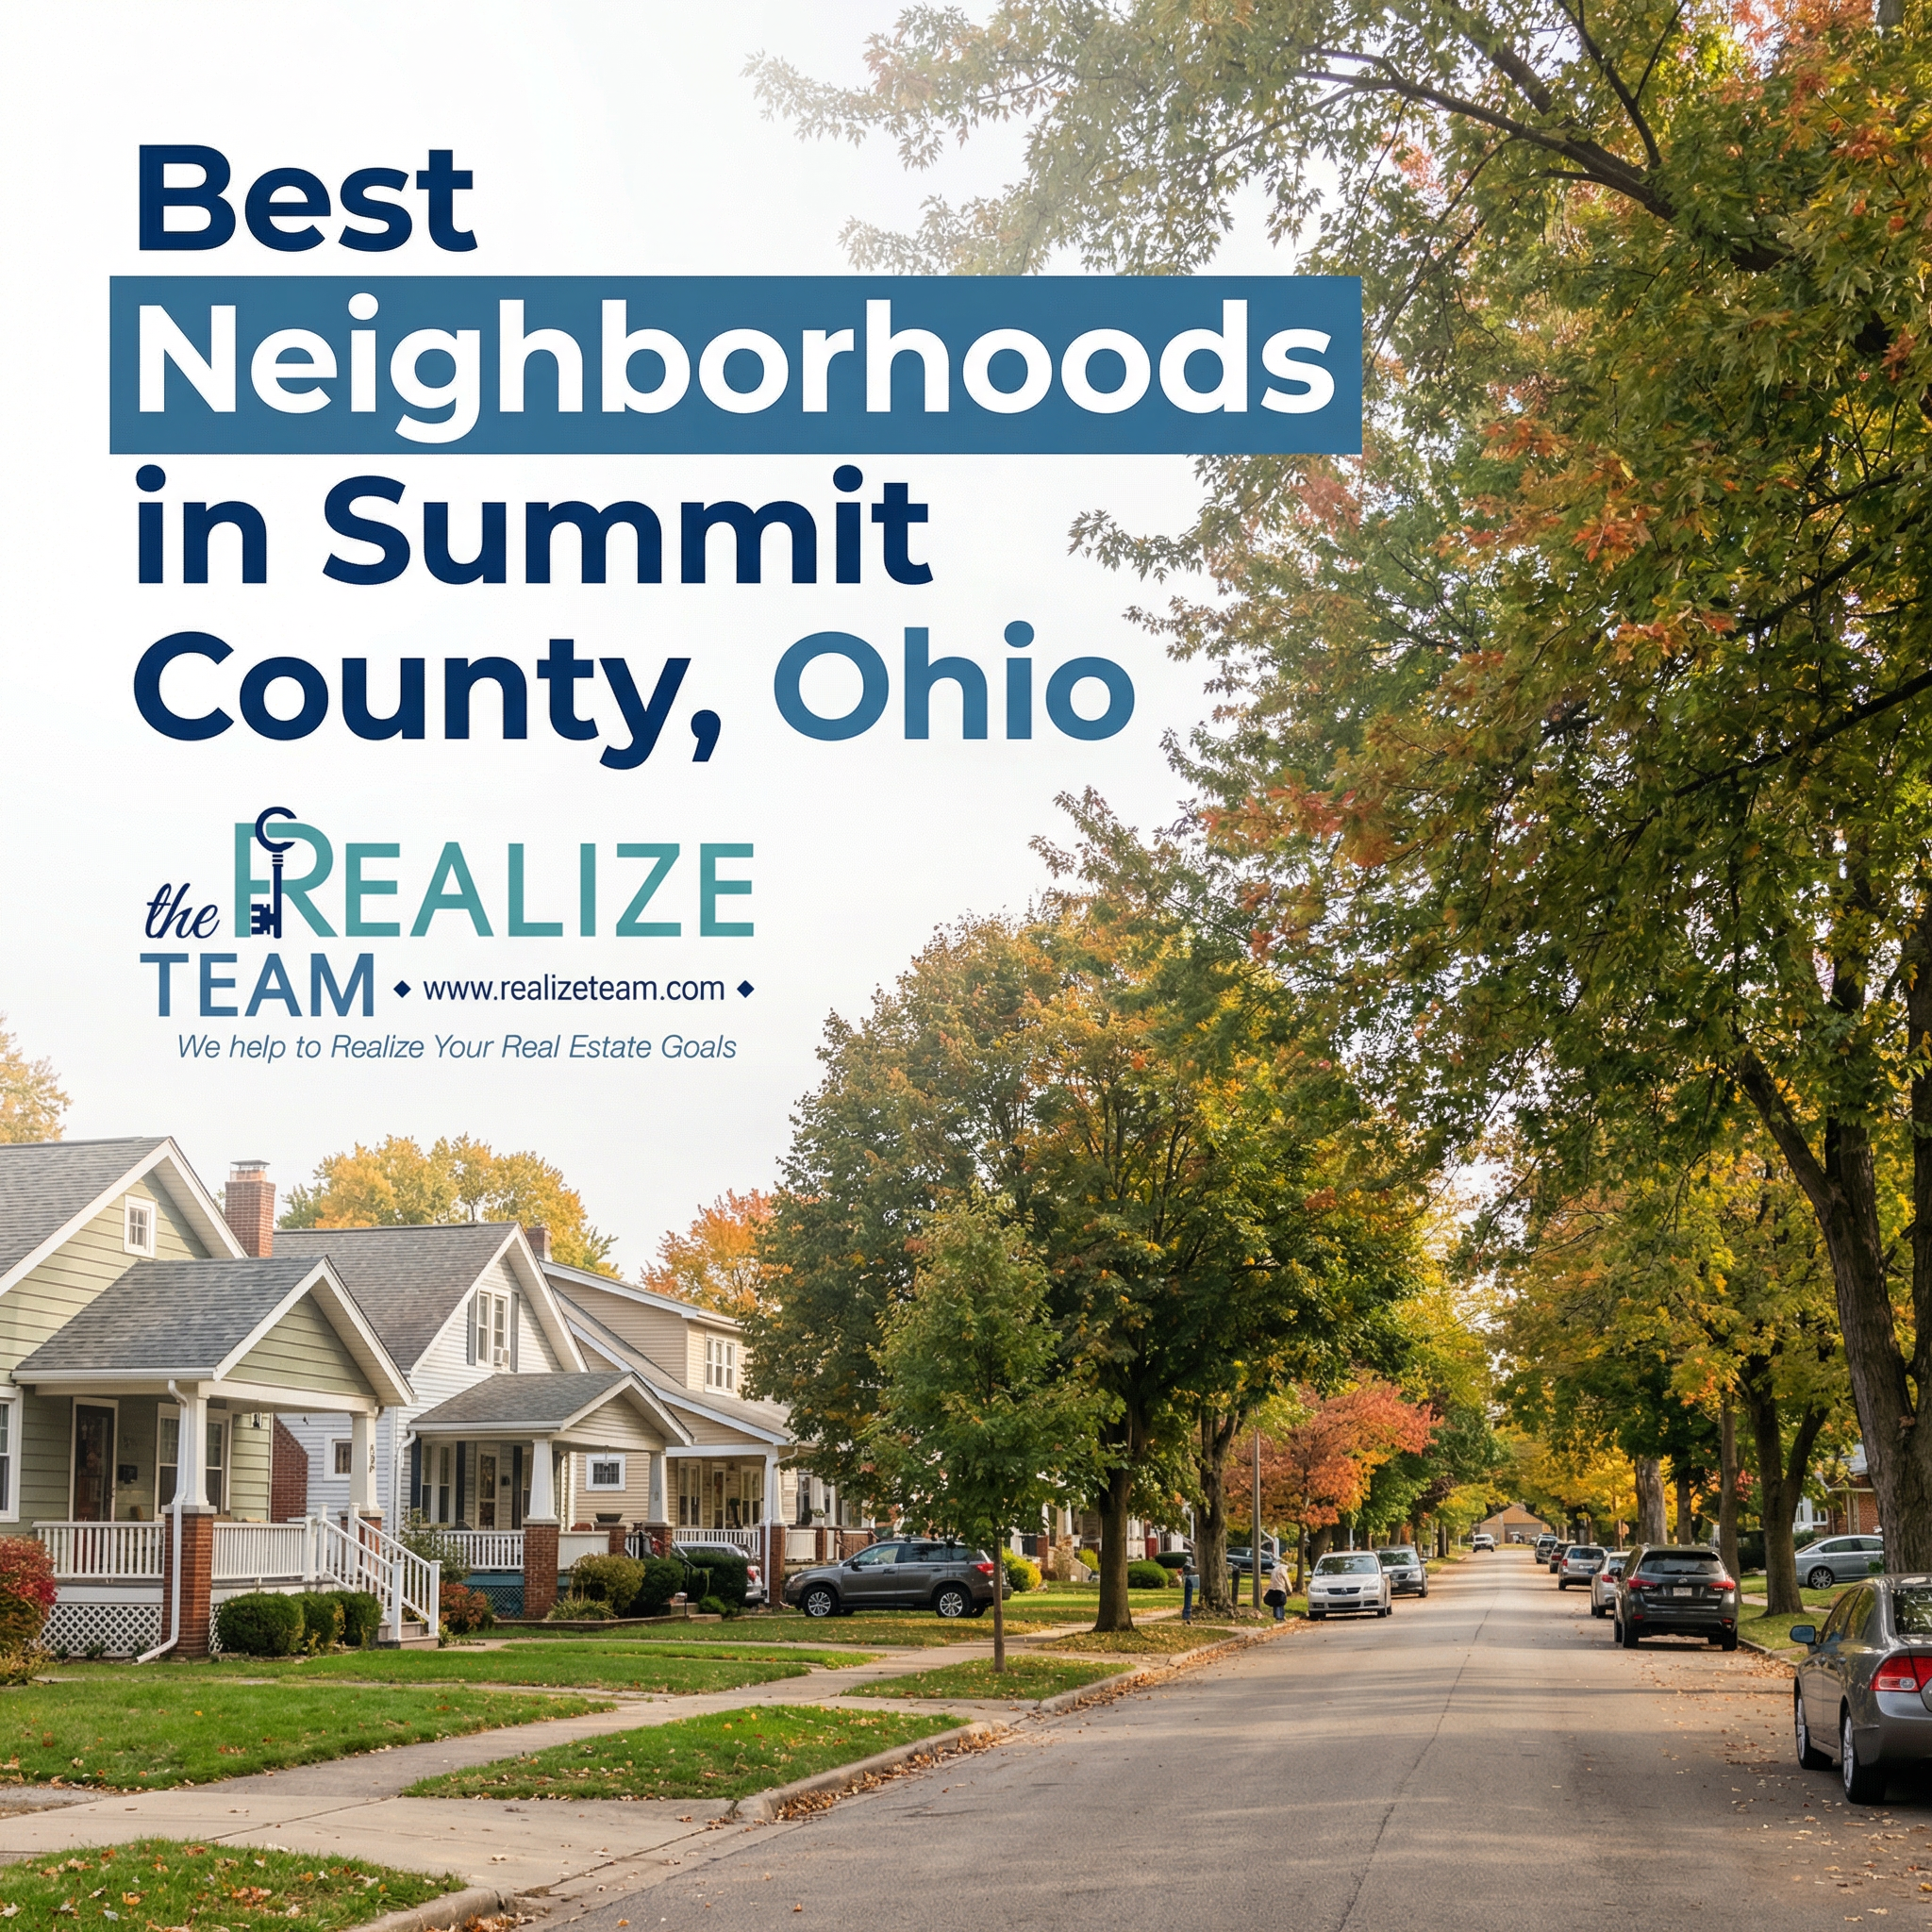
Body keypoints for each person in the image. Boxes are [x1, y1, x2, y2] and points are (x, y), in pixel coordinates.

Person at [1264, 1557, 1291, 1623]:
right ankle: (1280, 1617)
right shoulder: (1283, 1570)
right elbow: (1286, 1580)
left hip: (1272, 1588)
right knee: (1280, 1603)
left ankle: (1276, 1616)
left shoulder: (1274, 1569)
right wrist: (1290, 1589)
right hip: (1280, 1588)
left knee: (1275, 1603)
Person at [1181, 1552, 1197, 1623]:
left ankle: (1187, 1612)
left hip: (1188, 1580)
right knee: (1188, 1587)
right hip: (1188, 1580)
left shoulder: (1186, 1569)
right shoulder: (1188, 1569)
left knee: (1188, 1587)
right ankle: (1187, 1612)